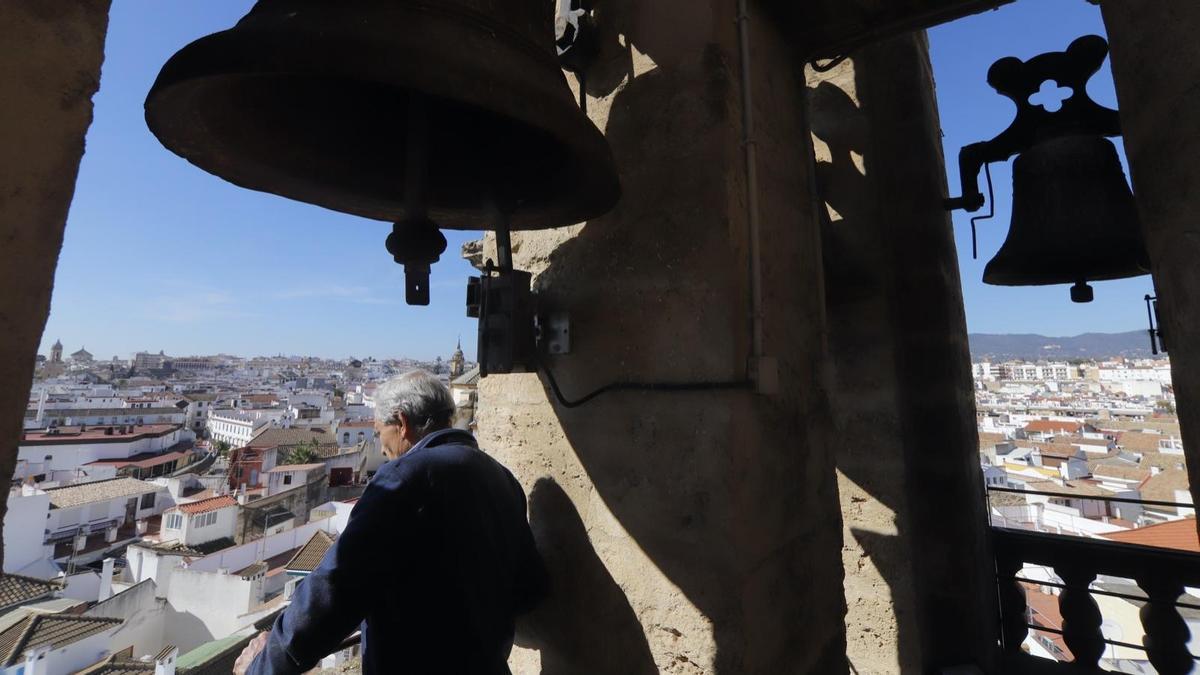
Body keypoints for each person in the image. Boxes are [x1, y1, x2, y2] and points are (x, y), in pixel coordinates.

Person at [235, 370, 547, 674]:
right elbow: (529, 590)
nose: (381, 448)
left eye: (378, 432)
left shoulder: (404, 478)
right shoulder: (501, 477)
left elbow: (337, 586)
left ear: (401, 423)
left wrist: (263, 666)